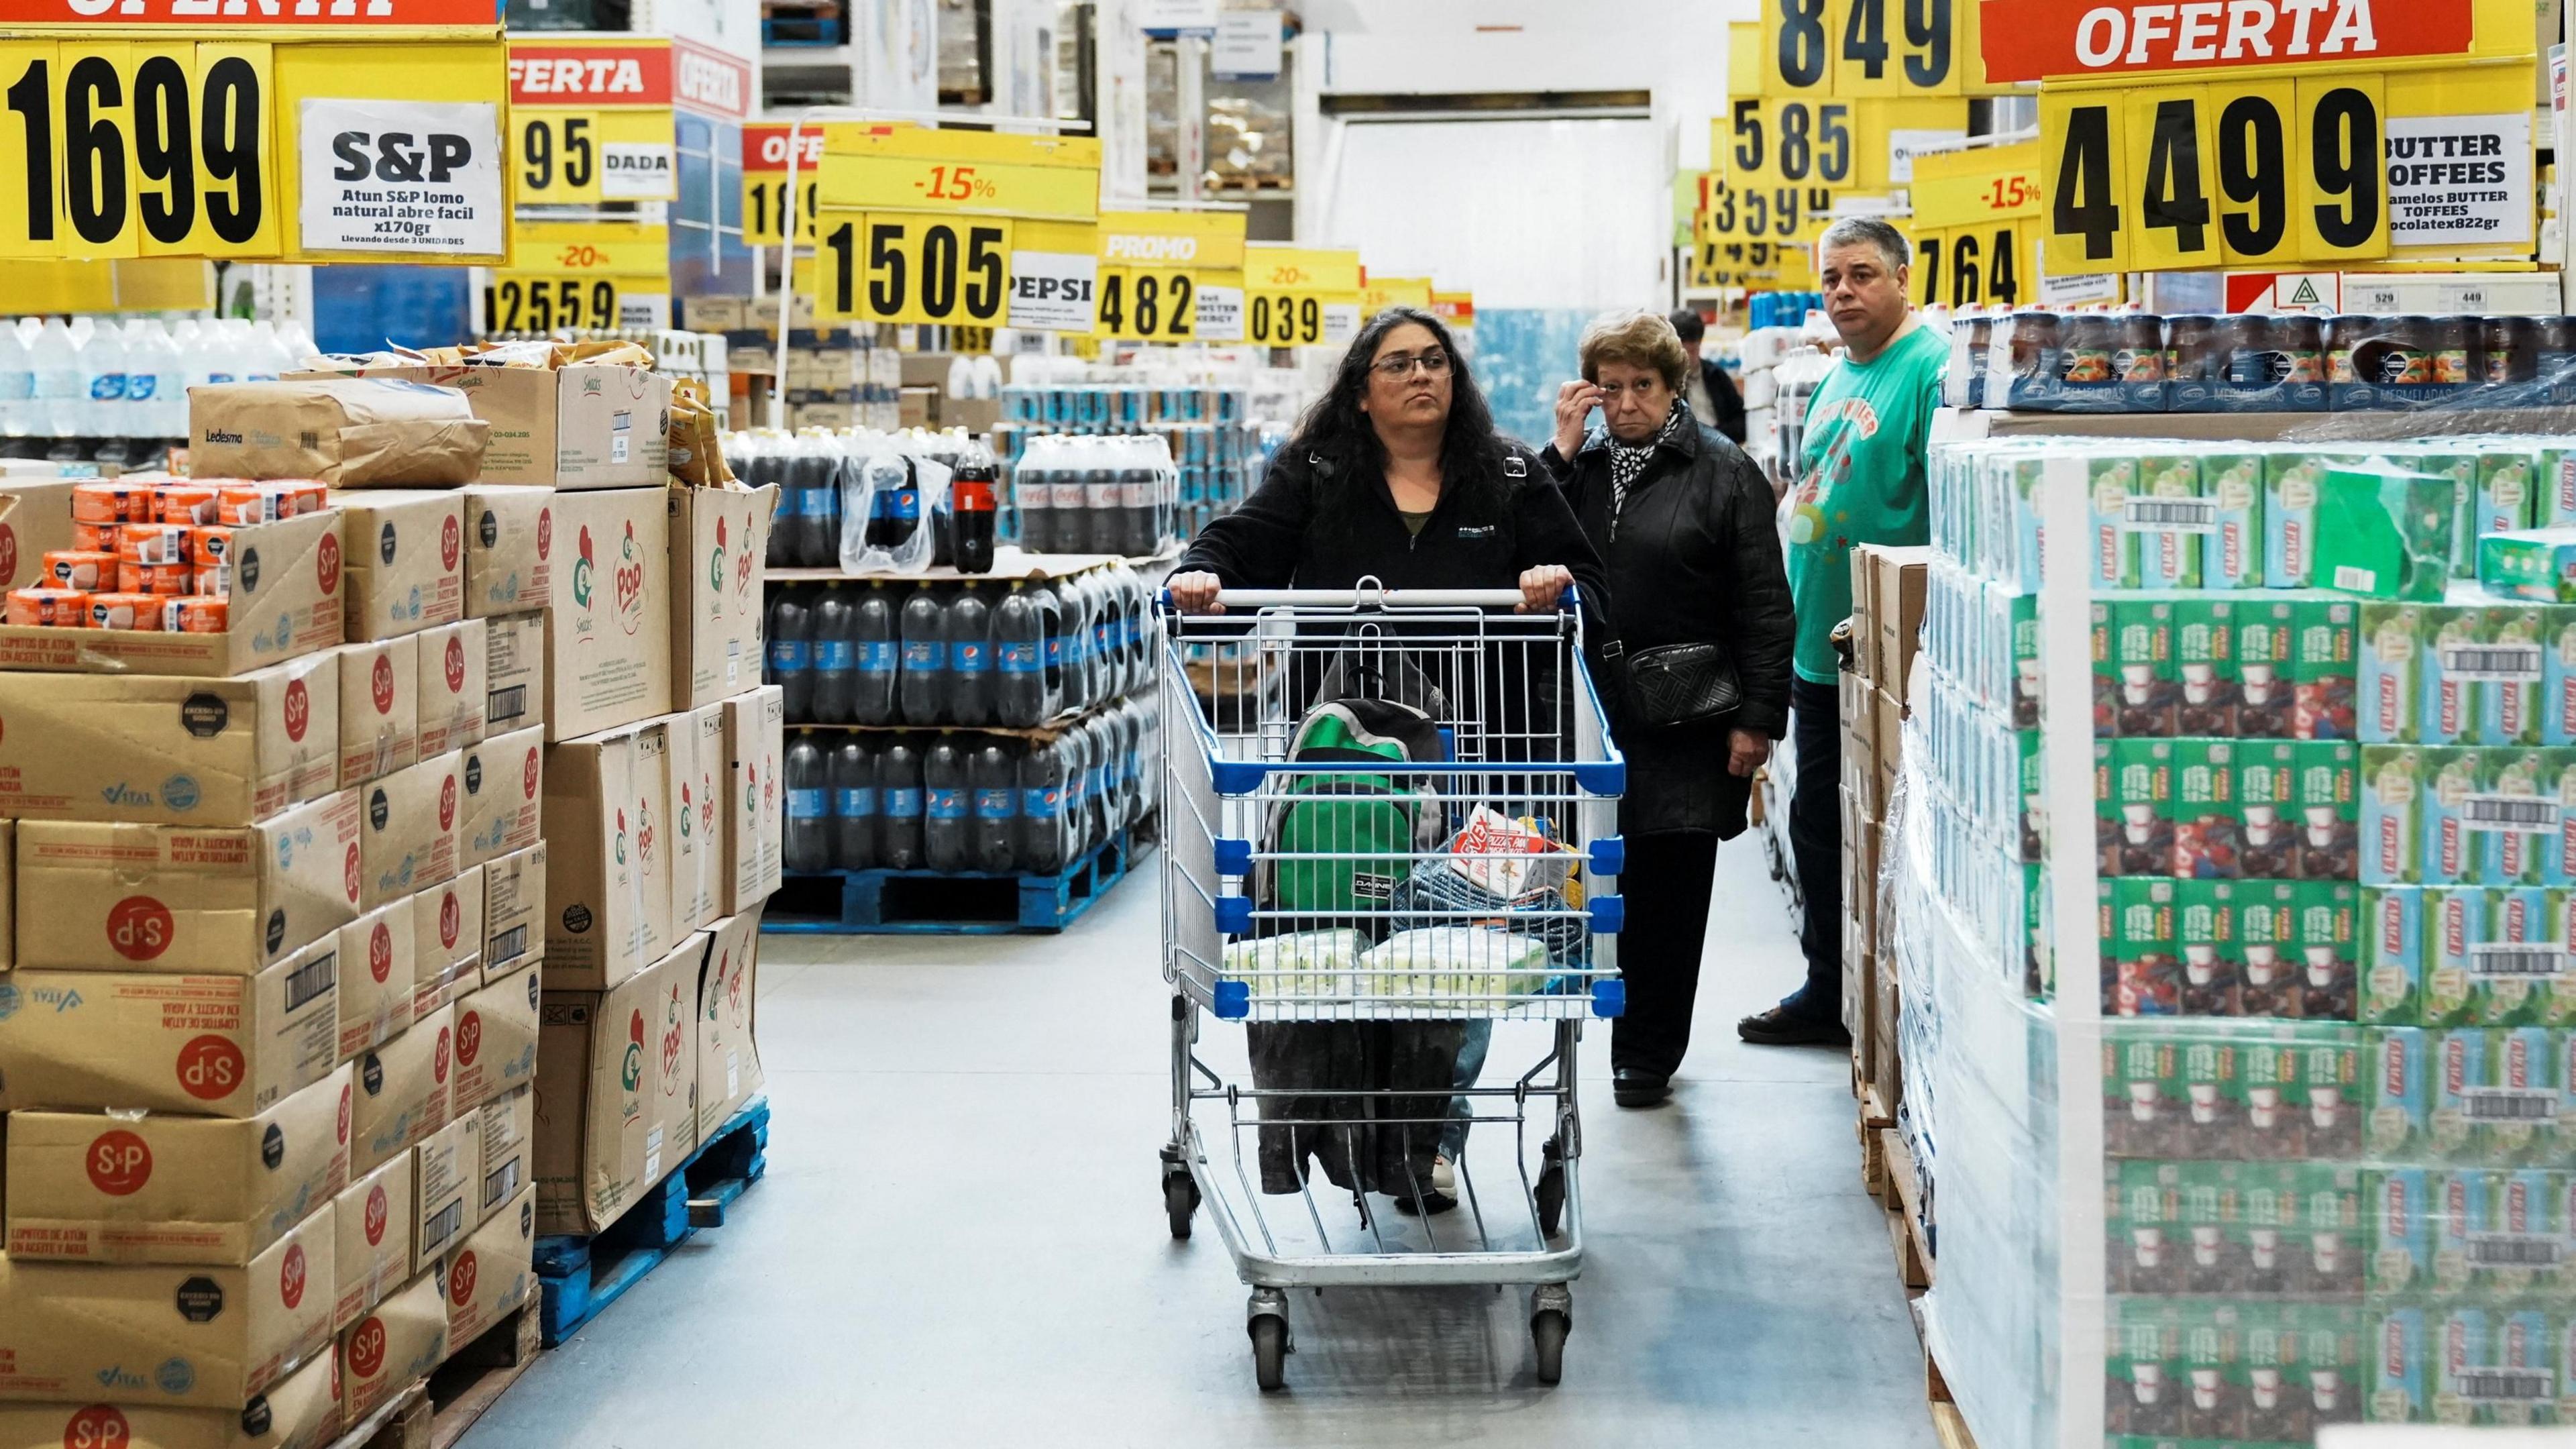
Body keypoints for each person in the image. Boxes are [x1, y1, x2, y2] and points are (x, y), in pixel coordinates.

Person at [1171, 305, 1609, 1214]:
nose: (1423, 377)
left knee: (1462, 950)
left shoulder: (1514, 473)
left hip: (1490, 760)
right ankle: (1343, 1136)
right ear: (1362, 393)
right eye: (1400, 363)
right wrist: (1204, 572)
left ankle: (1432, 1143)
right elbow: (1245, 538)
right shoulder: (1320, 472)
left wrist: (1551, 584)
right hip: (1346, 763)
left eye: (1437, 361)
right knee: (1347, 943)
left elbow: (1588, 586)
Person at [1542, 311, 1792, 1107]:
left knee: (1672, 889)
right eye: (1607, 388)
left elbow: (1764, 605)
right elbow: (1525, 547)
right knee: (1600, 884)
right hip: (1590, 711)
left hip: (1689, 714)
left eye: (1640, 386)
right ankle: (1611, 1025)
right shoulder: (1575, 470)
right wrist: (1558, 447)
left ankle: (1646, 1051)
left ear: (1673, 384)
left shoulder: (1725, 472)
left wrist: (1758, 719)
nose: (1623, 404)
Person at [1737, 216, 1943, 1049]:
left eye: (1862, 275)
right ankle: (1833, 984)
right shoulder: (1836, 375)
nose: (1844, 292)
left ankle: (1870, 995)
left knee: (1880, 829)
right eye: (1831, 279)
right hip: (1821, 645)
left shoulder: (1928, 368)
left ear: (1902, 277)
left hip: (1887, 652)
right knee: (1822, 826)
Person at [1669, 307, 1748, 445]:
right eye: (1682, 351)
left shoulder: (1716, 376)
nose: (1688, 358)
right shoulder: (1668, 382)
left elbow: (1741, 420)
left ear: (1700, 344)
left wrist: (1714, 436)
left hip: (1720, 449)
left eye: (1693, 350)